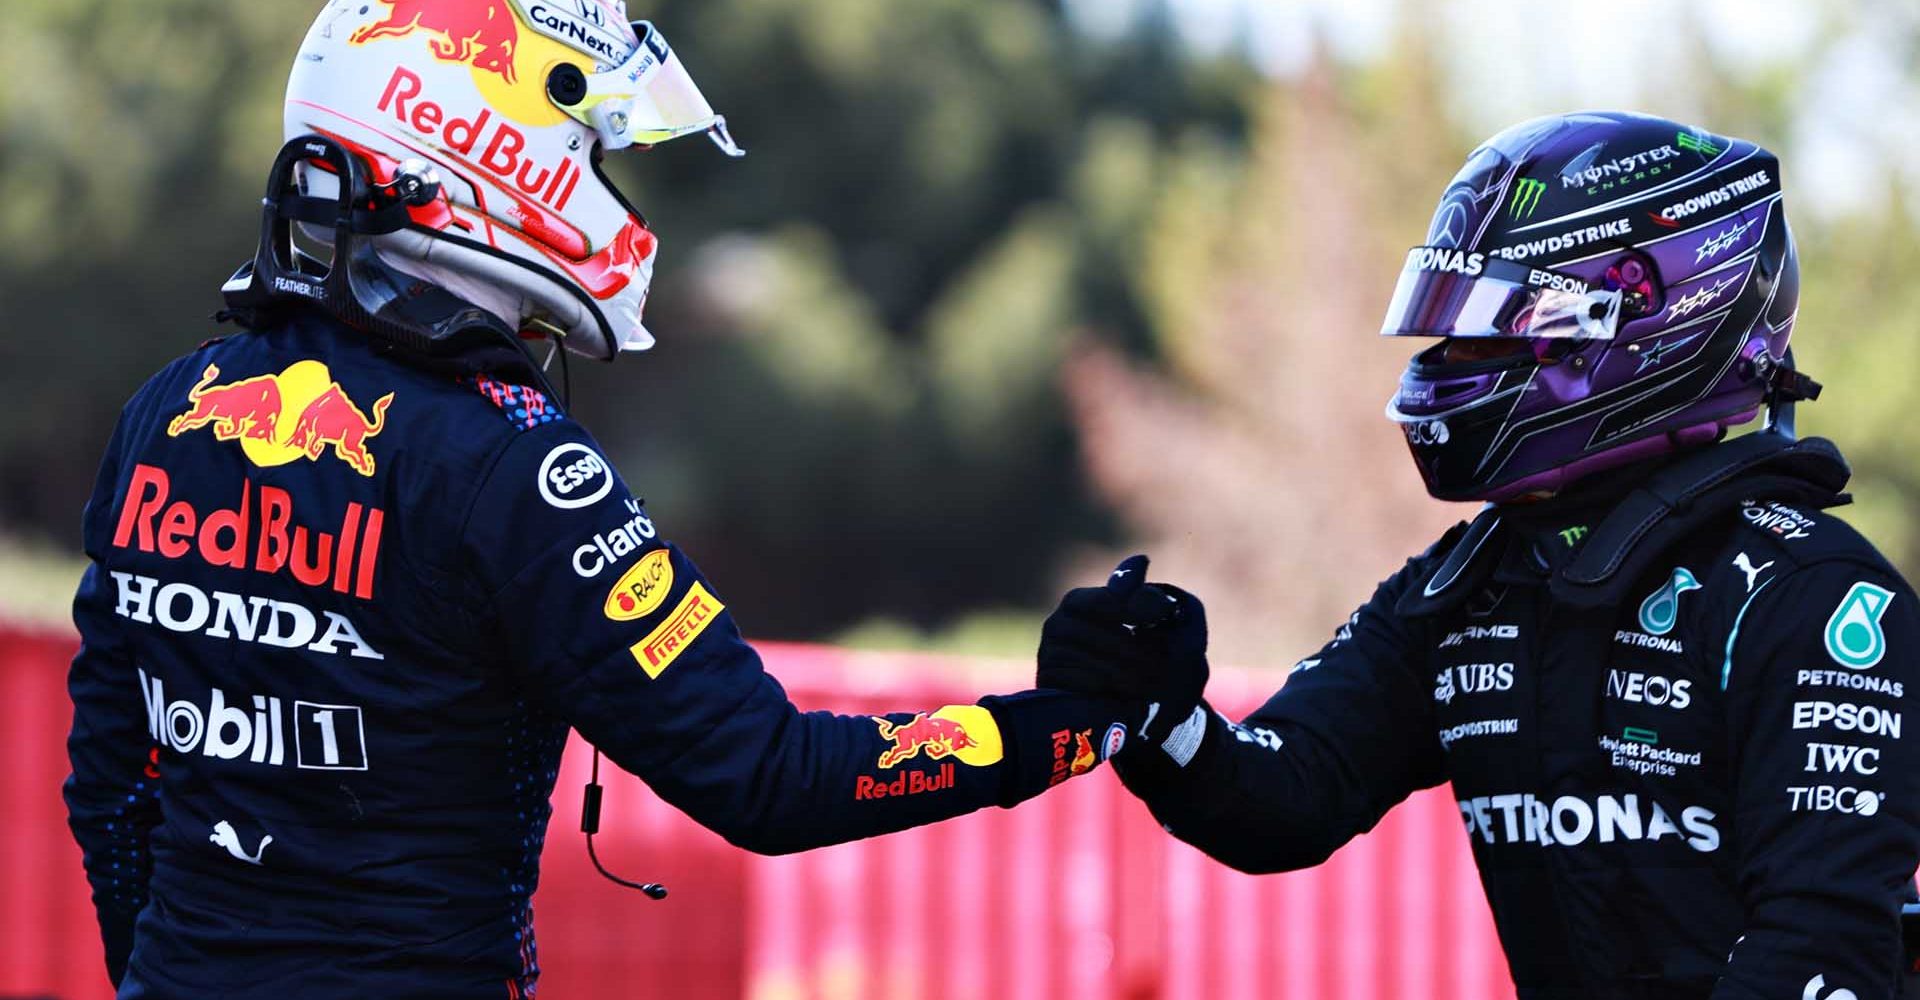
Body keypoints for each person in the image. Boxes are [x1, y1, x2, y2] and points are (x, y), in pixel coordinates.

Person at [63, 3, 1148, 995]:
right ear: (481, 140)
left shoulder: (166, 407)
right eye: (588, 146)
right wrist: (1064, 724)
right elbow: (768, 775)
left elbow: (108, 785)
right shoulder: (510, 465)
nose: (605, 183)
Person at [1037, 111, 1920, 999]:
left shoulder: (1812, 599)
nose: (1451, 362)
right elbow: (1286, 796)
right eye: (1452, 330)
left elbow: (1822, 950)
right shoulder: (1474, 584)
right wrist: (1157, 714)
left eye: (1494, 327)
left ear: (1646, 313)